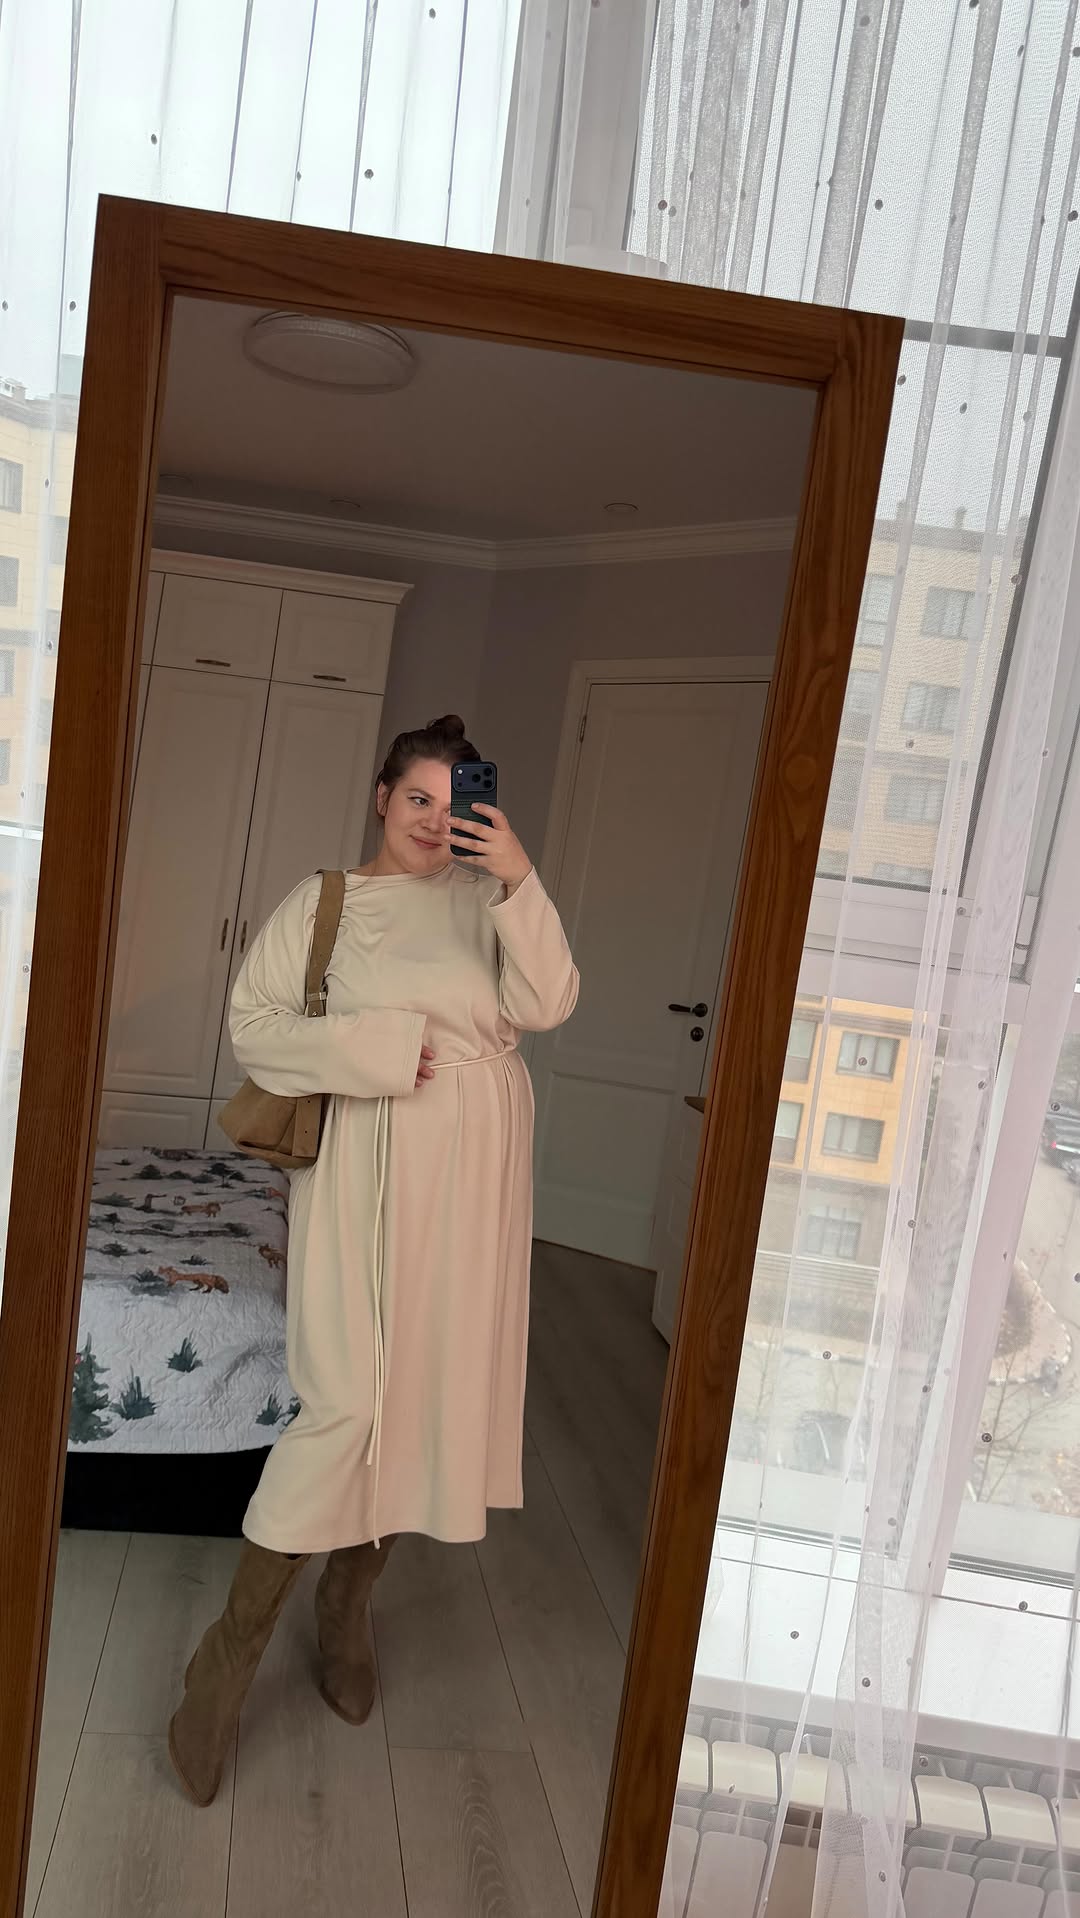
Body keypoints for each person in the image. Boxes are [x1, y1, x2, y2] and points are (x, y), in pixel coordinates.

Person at [169, 715, 578, 1806]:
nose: (436, 823)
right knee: (346, 1400)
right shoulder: (326, 903)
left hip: (478, 1172)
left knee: (427, 1392)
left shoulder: (493, 899)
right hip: (364, 1160)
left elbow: (547, 1003)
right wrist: (384, 1047)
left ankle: (348, 1607)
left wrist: (519, 876)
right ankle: (227, 1660)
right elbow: (255, 1026)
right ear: (382, 799)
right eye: (418, 801)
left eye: (455, 803)